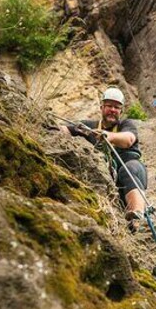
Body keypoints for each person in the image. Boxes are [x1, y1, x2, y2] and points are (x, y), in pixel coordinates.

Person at [61, 87, 147, 230]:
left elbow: (129, 139)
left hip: (133, 171)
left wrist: (108, 136)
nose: (113, 110)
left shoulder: (126, 125)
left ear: (121, 111)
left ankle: (137, 213)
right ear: (101, 107)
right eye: (109, 106)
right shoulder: (90, 127)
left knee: (127, 169)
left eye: (117, 107)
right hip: (111, 180)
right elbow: (67, 129)